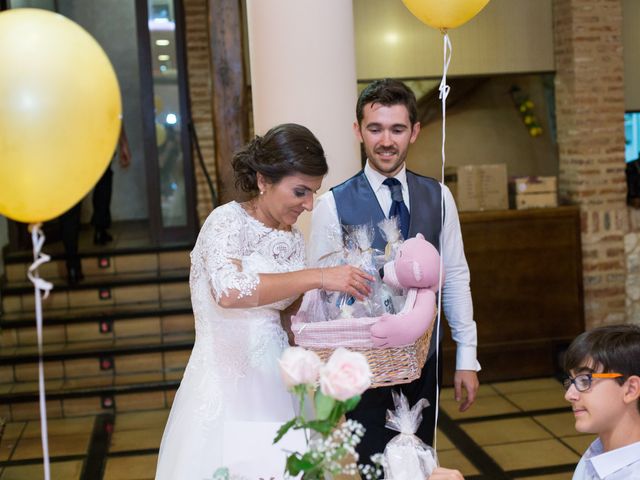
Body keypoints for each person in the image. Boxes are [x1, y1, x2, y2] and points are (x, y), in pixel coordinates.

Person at [154, 123, 373, 479]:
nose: (309, 204)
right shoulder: (226, 222)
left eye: (313, 193)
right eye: (301, 191)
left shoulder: (293, 239)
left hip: (280, 386)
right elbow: (229, 291)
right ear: (262, 181)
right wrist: (317, 276)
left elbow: (285, 318)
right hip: (228, 389)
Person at [308, 78, 480, 463]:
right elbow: (318, 299)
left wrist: (466, 357)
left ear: (414, 132)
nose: (386, 140)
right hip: (361, 368)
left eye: (397, 129)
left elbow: (455, 276)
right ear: (358, 131)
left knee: (421, 461)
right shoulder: (331, 205)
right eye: (375, 129)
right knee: (369, 465)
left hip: (425, 362)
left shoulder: (439, 196)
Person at [563, 324, 640, 479]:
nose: (569, 395)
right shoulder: (595, 453)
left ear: (631, 389)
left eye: (584, 380)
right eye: (571, 382)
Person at [58, 125, 130, 284]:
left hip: (68, 147)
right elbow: (114, 113)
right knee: (103, 181)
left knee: (71, 206)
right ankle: (100, 229)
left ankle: (72, 267)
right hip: (97, 140)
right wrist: (123, 143)